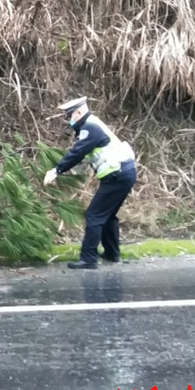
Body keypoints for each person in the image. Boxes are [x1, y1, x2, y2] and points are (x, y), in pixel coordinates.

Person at [43, 97, 137, 269]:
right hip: (123, 173)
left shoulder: (90, 128)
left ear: (79, 112)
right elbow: (85, 159)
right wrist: (68, 174)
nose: (69, 119)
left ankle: (88, 259)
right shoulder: (92, 125)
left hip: (117, 175)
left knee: (94, 215)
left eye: (70, 115)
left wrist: (56, 170)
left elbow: (77, 152)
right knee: (107, 215)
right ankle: (112, 253)